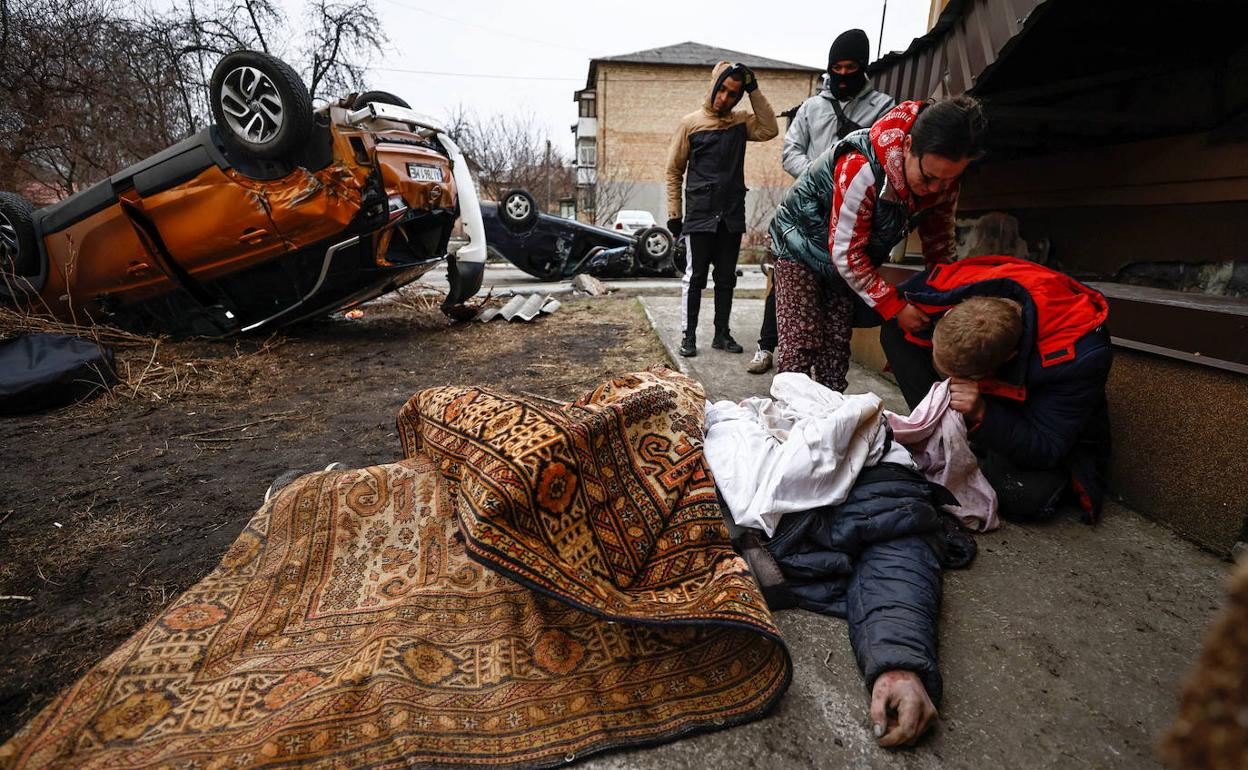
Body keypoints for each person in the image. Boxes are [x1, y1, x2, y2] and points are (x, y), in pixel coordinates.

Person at [768, 95, 986, 392]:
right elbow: (846, 253)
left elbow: (939, 246)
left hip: (844, 262)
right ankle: (788, 426)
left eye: (947, 181)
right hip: (799, 245)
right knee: (802, 343)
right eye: (929, 177)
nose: (936, 189)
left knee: (834, 354)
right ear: (907, 147)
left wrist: (948, 299)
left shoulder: (943, 184)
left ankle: (829, 430)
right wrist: (896, 308)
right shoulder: (862, 166)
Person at [880, 256, 1113, 522]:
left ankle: (979, 442)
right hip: (1000, 384)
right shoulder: (948, 290)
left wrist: (982, 413)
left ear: (1007, 359)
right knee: (897, 328)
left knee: (1024, 496)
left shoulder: (1079, 358)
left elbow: (1048, 445)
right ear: (950, 311)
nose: (947, 381)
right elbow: (885, 301)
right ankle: (940, 433)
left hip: (1034, 419)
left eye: (960, 376)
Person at [747, 29, 896, 375]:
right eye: (836, 67)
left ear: (862, 66)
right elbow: (790, 153)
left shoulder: (883, 108)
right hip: (808, 217)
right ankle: (768, 347)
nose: (843, 74)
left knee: (835, 320)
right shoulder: (812, 108)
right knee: (792, 299)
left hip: (853, 221)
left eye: (850, 66)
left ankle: (829, 390)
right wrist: (823, 179)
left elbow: (886, 157)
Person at [665, 61, 778, 358]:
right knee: (695, 278)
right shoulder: (690, 123)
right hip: (700, 216)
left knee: (726, 278)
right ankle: (688, 336)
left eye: (733, 94)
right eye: (722, 90)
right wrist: (675, 215)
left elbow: (769, 128)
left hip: (731, 215)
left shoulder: (740, 122)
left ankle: (721, 334)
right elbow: (674, 170)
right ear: (714, 86)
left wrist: (753, 88)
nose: (725, 98)